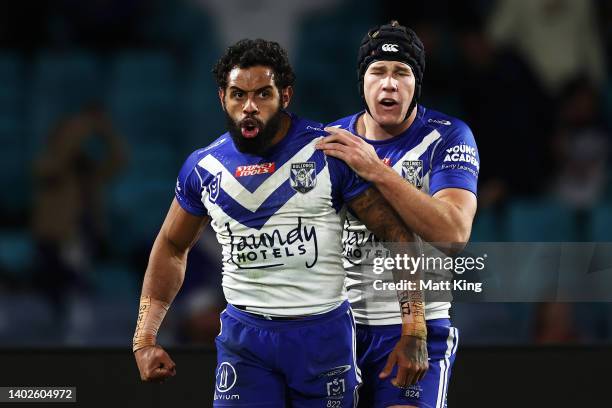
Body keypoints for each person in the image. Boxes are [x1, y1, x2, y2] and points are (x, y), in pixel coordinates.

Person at [132, 38, 427, 407]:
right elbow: (172, 246)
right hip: (245, 340)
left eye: (263, 94)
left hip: (323, 336)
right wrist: (144, 339)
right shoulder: (203, 167)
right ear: (221, 97)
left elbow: (398, 234)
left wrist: (414, 329)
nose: (249, 107)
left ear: (285, 95)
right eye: (238, 95)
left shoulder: (329, 151)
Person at [317, 21, 479, 407]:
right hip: (340, 326)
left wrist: (375, 171)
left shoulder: (448, 136)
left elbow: (454, 233)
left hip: (419, 324)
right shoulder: (332, 142)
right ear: (362, 82)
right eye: (378, 72)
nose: (389, 84)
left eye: (401, 73)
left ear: (416, 84)